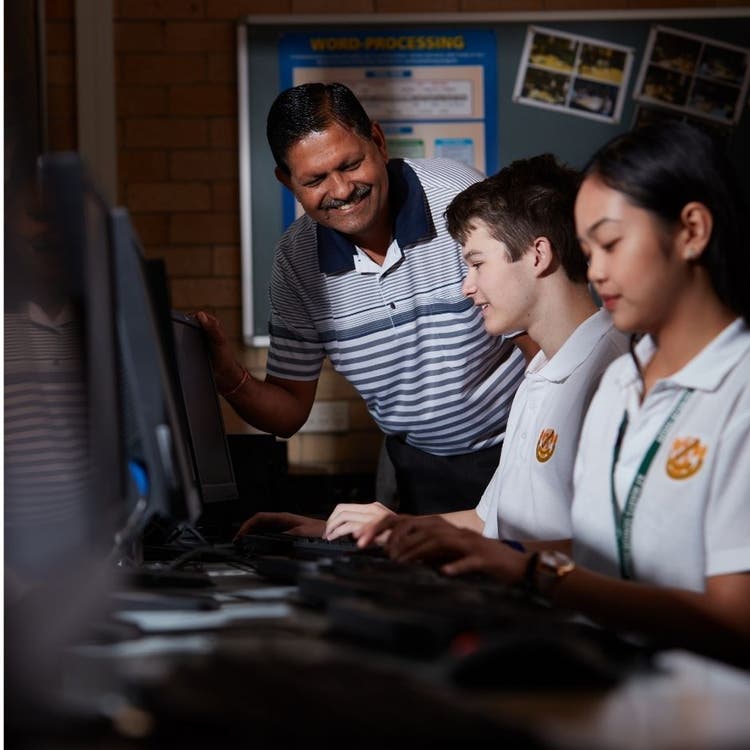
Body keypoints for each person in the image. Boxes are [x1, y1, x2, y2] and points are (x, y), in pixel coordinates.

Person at [358, 122, 750, 667]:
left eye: (610, 244)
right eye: (588, 248)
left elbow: (735, 619)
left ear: (691, 231)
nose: (596, 269)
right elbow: (600, 555)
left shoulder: (734, 387)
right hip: (604, 667)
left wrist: (525, 568)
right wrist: (454, 544)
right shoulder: (622, 382)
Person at [238, 154, 628, 542]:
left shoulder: (619, 380)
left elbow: (608, 555)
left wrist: (503, 564)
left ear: (538, 255)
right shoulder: (536, 377)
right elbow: (488, 521)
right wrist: (378, 528)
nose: (466, 287)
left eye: (477, 264)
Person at [199, 82, 527, 516]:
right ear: (286, 181)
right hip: (415, 465)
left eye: (350, 165)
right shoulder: (297, 263)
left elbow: (536, 324)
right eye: (314, 180)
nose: (340, 190)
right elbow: (288, 412)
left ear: (377, 139)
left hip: (520, 443)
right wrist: (227, 376)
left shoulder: (457, 197)